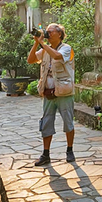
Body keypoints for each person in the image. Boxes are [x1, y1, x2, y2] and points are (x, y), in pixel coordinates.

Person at [27, 23, 76, 165]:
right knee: (46, 123)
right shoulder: (44, 50)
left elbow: (56, 56)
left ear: (59, 34)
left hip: (64, 93)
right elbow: (30, 60)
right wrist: (37, 43)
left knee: (68, 122)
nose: (48, 34)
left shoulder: (66, 48)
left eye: (50, 32)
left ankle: (69, 150)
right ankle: (46, 154)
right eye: (46, 32)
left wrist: (42, 43)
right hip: (48, 92)